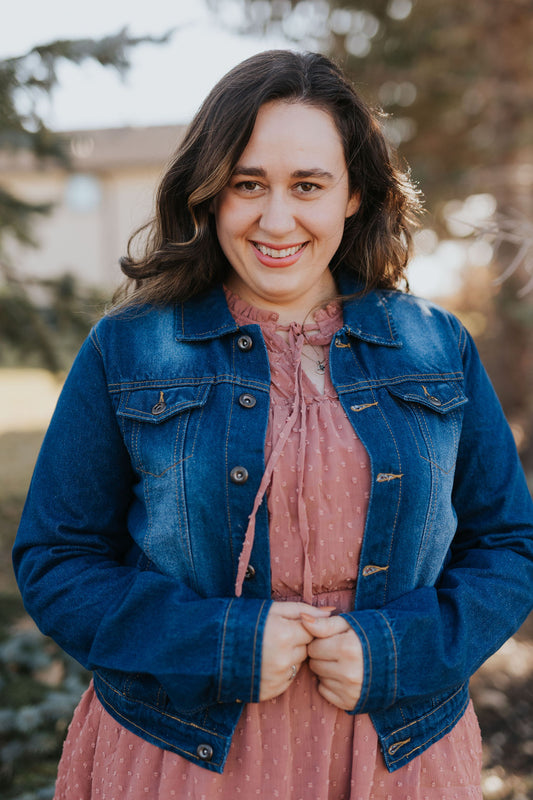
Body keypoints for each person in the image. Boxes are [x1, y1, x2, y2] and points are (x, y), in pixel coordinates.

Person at [13, 50, 533, 799]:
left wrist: (397, 651)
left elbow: (509, 546)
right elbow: (57, 560)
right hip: (180, 757)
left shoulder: (437, 346)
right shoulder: (127, 350)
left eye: (308, 185)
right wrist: (220, 645)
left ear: (354, 194)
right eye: (247, 184)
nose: (276, 219)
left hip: (399, 755)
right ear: (208, 192)